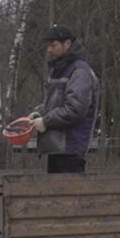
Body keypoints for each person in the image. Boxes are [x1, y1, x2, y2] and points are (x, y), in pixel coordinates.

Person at [30, 24, 99, 174]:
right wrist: (38, 114)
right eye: (48, 46)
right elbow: (52, 103)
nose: (49, 50)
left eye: (53, 45)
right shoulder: (59, 70)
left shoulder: (79, 71)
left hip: (71, 148)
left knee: (68, 195)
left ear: (67, 44)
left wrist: (46, 121)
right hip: (57, 148)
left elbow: (75, 110)